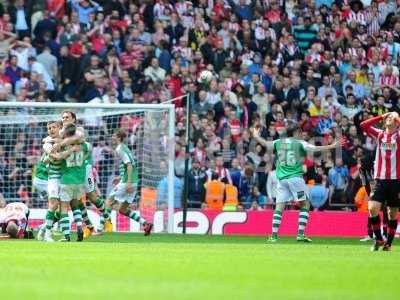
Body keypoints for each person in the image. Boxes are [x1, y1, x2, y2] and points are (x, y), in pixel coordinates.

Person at [252, 128, 341, 242]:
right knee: (305, 204)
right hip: (295, 180)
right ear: (296, 133)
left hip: (282, 180)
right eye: (300, 133)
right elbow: (314, 149)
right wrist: (332, 146)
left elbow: (265, 143)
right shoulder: (299, 143)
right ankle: (300, 234)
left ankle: (274, 236)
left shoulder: (278, 142)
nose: (301, 135)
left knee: (279, 206)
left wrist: (256, 136)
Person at [360, 112, 400, 251]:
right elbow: (363, 125)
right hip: (380, 180)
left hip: (396, 181)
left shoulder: (399, 136)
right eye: (387, 118)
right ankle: (378, 239)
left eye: (392, 118)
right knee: (372, 208)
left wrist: (397, 118)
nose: (388, 119)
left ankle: (388, 243)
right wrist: (381, 116)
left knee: (392, 213)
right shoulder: (380, 134)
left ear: (396, 122)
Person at [102, 129, 153, 235]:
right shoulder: (125, 148)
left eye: (114, 136)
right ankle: (145, 224)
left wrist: (128, 182)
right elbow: (128, 166)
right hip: (133, 181)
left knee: (109, 201)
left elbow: (129, 164)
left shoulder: (119, 148)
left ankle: (100, 228)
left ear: (119, 138)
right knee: (122, 209)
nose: (112, 137)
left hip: (128, 182)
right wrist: (121, 178)